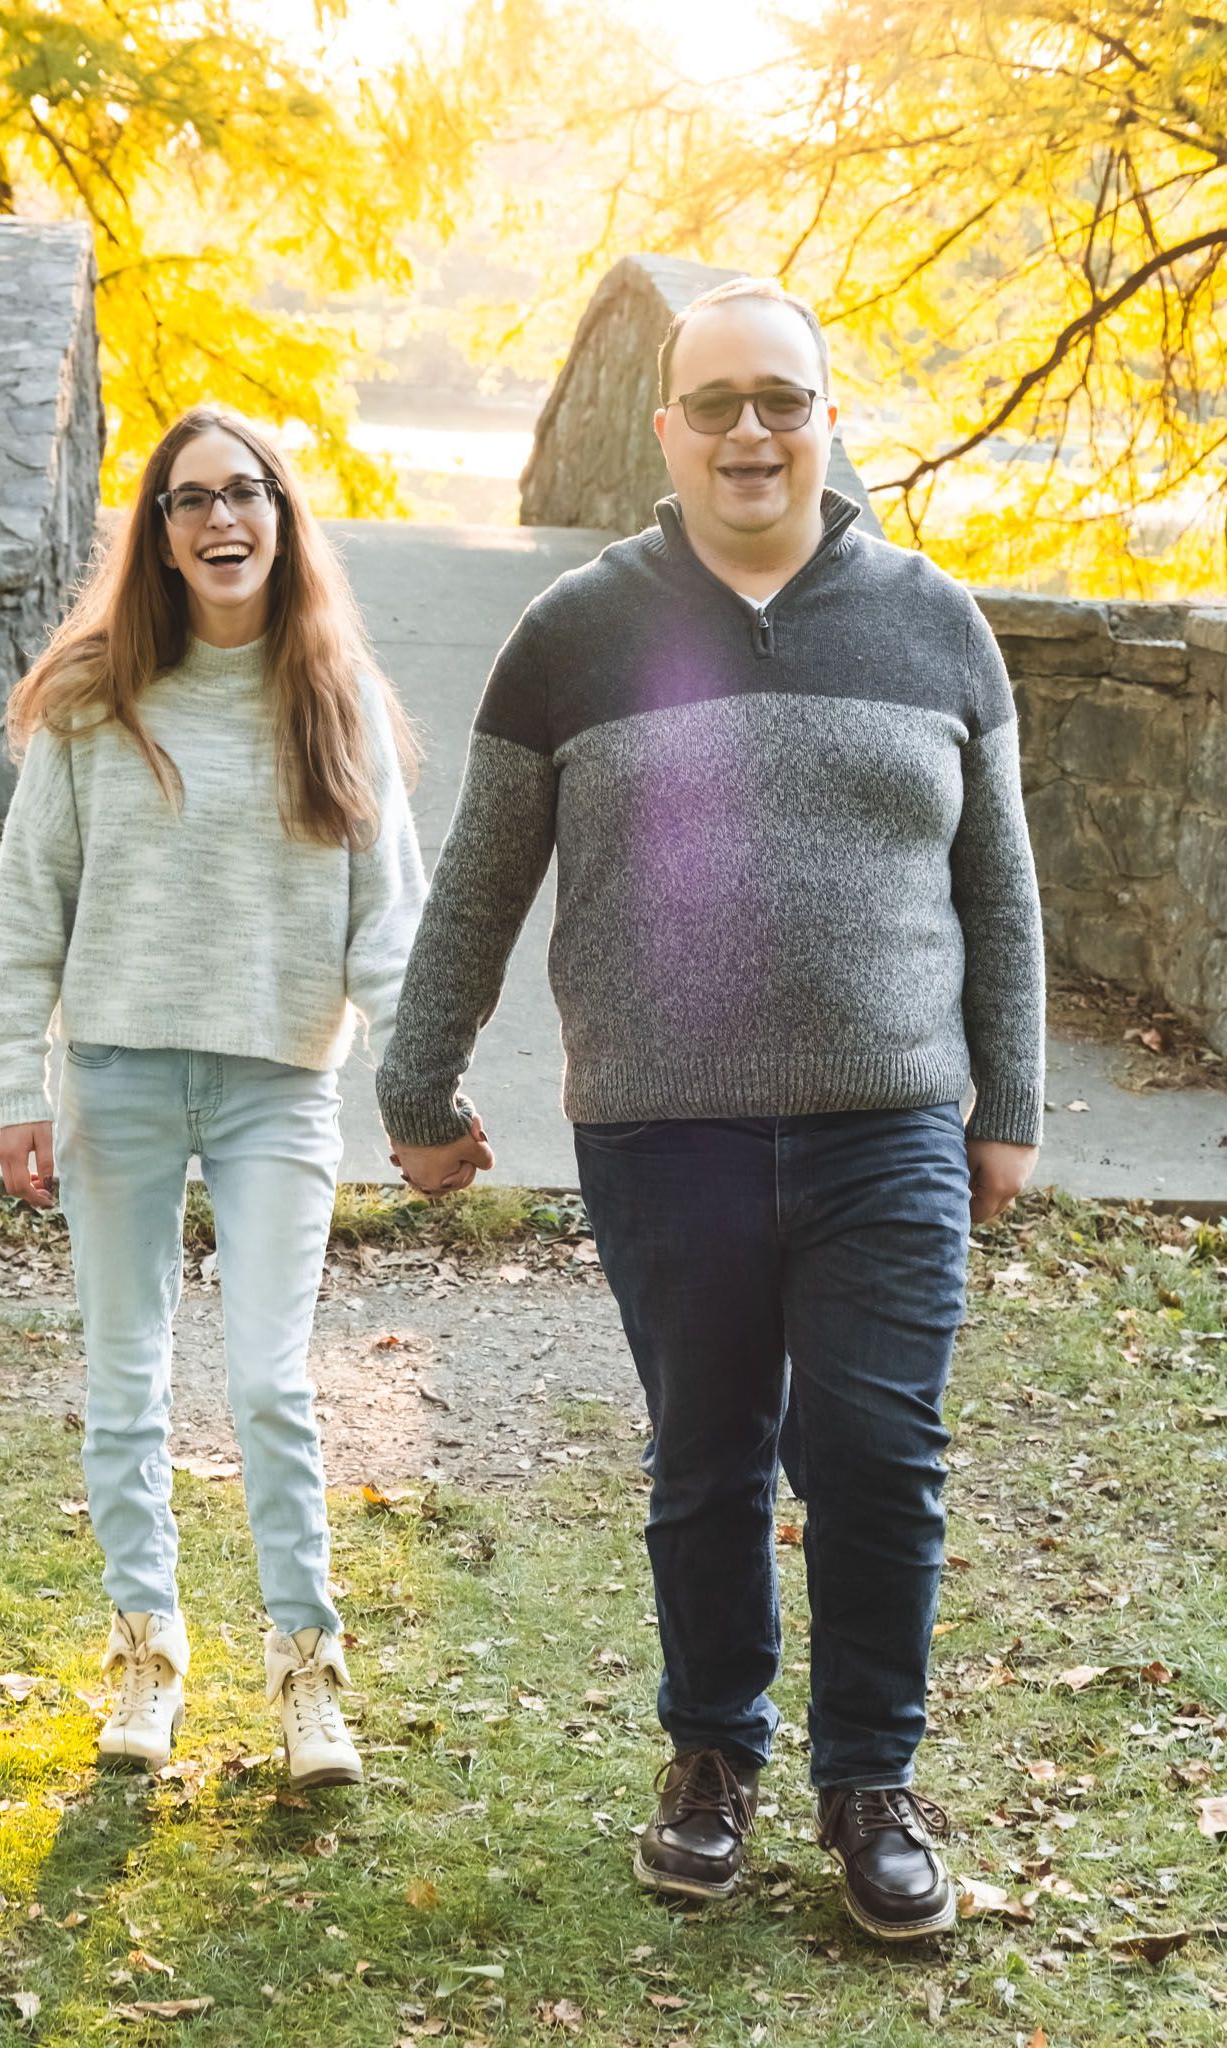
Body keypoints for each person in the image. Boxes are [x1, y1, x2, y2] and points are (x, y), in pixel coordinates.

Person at [376, 278, 1043, 1940]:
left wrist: (1007, 1100)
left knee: (880, 1453)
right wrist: (416, 1075)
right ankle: (708, 1763)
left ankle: (868, 1781)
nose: (753, 428)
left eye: (783, 399)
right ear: (662, 428)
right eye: (718, 402)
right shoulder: (577, 632)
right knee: (705, 1459)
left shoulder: (936, 623)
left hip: (888, 1122)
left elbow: (1003, 887)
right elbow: (480, 876)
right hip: (658, 1128)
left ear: (827, 418)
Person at [0, 403, 424, 1783]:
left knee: (268, 1382)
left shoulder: (333, 697)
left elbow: (388, 927)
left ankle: (307, 1677)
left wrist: (420, 1096)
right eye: (190, 500)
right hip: (112, 1075)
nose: (222, 518)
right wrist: (17, 1083)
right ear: (159, 535)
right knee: (124, 1382)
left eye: (247, 494)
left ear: (283, 521)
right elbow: (26, 908)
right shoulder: (90, 698)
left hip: (276, 1090)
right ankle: (146, 1660)